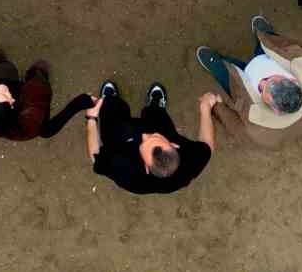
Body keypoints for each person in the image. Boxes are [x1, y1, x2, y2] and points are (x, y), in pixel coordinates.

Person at [195, 14, 302, 148]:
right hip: (274, 58)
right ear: (292, 79)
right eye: (269, 80)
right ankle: (265, 37)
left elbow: (234, 126)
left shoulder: (260, 134)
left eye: (262, 90)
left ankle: (219, 65)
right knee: (270, 44)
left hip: (244, 87)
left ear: (276, 111)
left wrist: (218, 107)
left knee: (230, 78)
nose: (261, 83)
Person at [85, 79, 216, 195]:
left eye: (143, 143)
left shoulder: (126, 170)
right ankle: (155, 105)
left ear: (146, 167)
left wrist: (91, 118)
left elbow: (95, 156)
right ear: (174, 145)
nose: (144, 134)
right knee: (157, 117)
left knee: (112, 119)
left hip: (122, 138)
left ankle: (110, 101)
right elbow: (207, 145)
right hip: (158, 126)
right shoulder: (190, 162)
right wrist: (205, 107)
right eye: (154, 137)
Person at [0, 50, 94, 141]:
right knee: (36, 77)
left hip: (3, 80)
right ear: (12, 103)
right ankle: (35, 73)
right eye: (4, 94)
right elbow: (47, 130)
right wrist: (78, 104)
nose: (0, 87)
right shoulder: (30, 117)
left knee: (4, 69)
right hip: (29, 94)